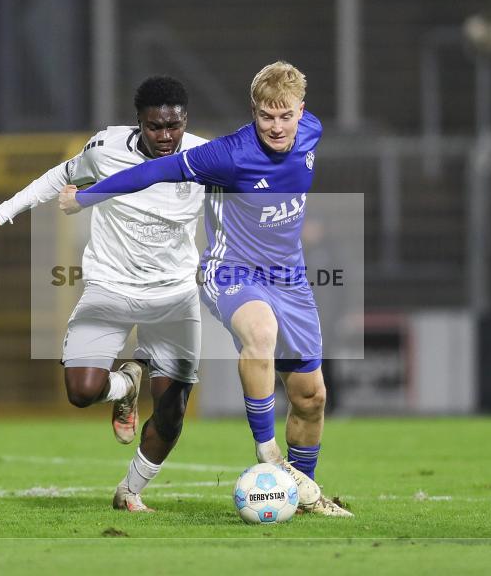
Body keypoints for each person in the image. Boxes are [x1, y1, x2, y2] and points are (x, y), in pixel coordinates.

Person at [59, 61, 353, 517]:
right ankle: (267, 451)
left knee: (311, 396)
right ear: (253, 111)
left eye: (285, 116)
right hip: (232, 271)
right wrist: (85, 196)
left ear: (301, 111)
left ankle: (303, 492)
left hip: (290, 279)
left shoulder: (311, 131)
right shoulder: (228, 154)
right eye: (265, 116)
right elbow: (152, 173)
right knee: (261, 332)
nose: (276, 127)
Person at [0, 76, 206, 512]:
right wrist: (1, 214)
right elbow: (60, 175)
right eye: (155, 127)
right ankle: (125, 384)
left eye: (174, 125)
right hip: (110, 286)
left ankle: (129, 491)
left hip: (173, 296)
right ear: (139, 124)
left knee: (171, 412)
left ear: (185, 120)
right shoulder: (105, 149)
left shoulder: (206, 157)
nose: (166, 136)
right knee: (81, 391)